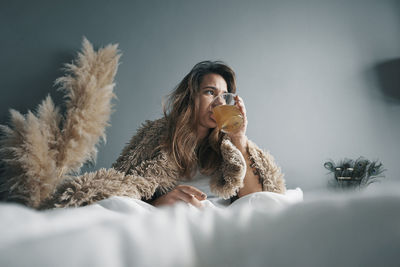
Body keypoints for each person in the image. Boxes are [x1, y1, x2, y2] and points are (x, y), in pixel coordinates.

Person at [111, 60, 286, 208]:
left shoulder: (230, 144)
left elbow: (254, 200)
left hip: (220, 221)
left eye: (224, 96)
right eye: (210, 92)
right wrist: (159, 202)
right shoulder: (157, 138)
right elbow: (123, 189)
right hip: (172, 220)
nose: (219, 103)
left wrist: (239, 138)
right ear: (191, 97)